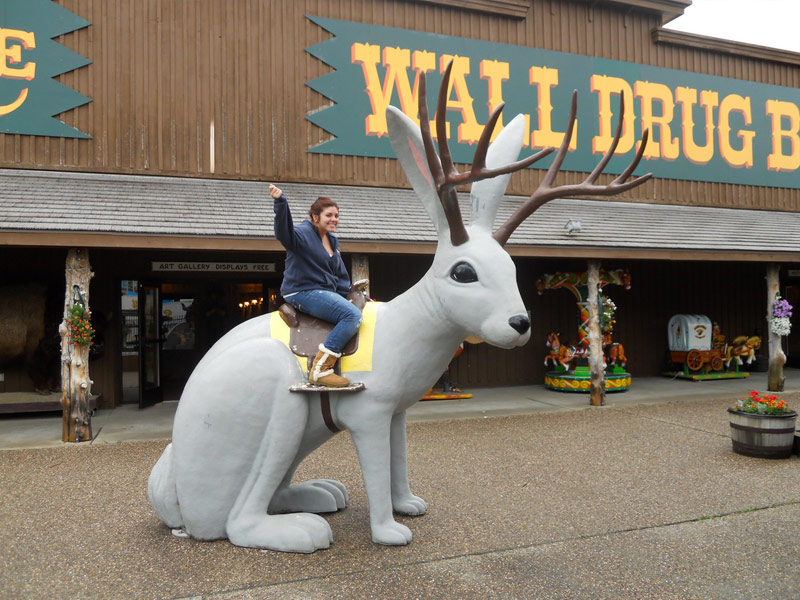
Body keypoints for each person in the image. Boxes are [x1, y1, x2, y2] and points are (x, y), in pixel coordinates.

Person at [270, 183, 362, 387]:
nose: (334, 219)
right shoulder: (302, 234)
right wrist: (281, 204)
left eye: (337, 215)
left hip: (324, 292)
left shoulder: (333, 241)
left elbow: (340, 276)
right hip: (302, 291)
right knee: (352, 315)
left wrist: (348, 294)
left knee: (357, 306)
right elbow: (284, 234)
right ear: (315, 217)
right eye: (329, 215)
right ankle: (321, 369)